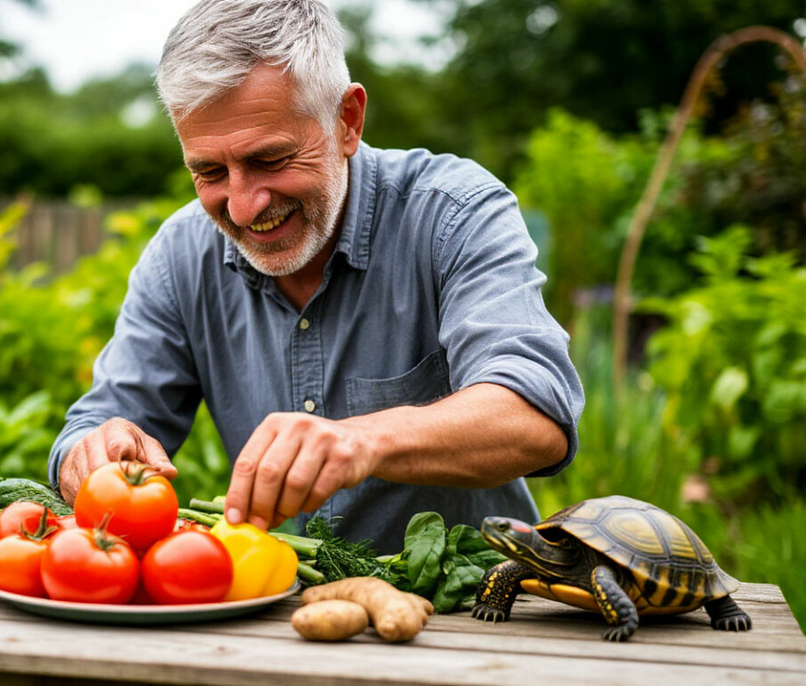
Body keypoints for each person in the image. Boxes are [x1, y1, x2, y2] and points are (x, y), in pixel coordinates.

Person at [48, 0, 584, 554]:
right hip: (284, 612)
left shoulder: (453, 214)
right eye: (209, 171)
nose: (243, 206)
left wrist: (364, 441)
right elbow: (100, 419)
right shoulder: (181, 256)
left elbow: (536, 415)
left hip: (474, 608)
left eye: (271, 159)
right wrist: (93, 448)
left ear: (347, 120)